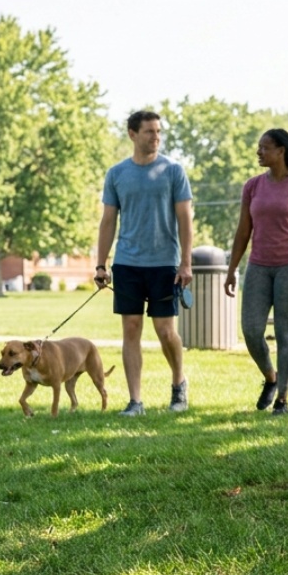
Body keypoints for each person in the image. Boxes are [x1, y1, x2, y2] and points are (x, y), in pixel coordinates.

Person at [93, 110, 194, 415]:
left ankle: (179, 384)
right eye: (149, 131)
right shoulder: (117, 174)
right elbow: (108, 221)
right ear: (132, 134)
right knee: (131, 329)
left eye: (158, 131)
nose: (156, 137)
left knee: (166, 331)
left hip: (165, 263)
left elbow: (185, 218)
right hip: (127, 264)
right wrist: (101, 264)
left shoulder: (174, 171)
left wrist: (185, 262)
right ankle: (135, 400)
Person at [223, 129, 288, 415]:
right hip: (259, 266)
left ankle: (283, 400)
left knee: (284, 333)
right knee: (251, 329)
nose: (259, 152)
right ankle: (271, 378)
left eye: (264, 148)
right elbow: (243, 231)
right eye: (259, 147)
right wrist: (231, 270)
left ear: (281, 151)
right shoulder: (252, 186)